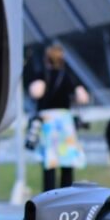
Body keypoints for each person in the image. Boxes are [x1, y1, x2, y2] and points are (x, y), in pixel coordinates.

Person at [28, 44, 89, 192]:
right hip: (65, 122)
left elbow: (36, 93)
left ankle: (49, 194)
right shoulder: (67, 76)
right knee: (67, 161)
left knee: (49, 162)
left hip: (47, 122)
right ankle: (66, 193)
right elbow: (82, 97)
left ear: (46, 59)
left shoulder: (42, 74)